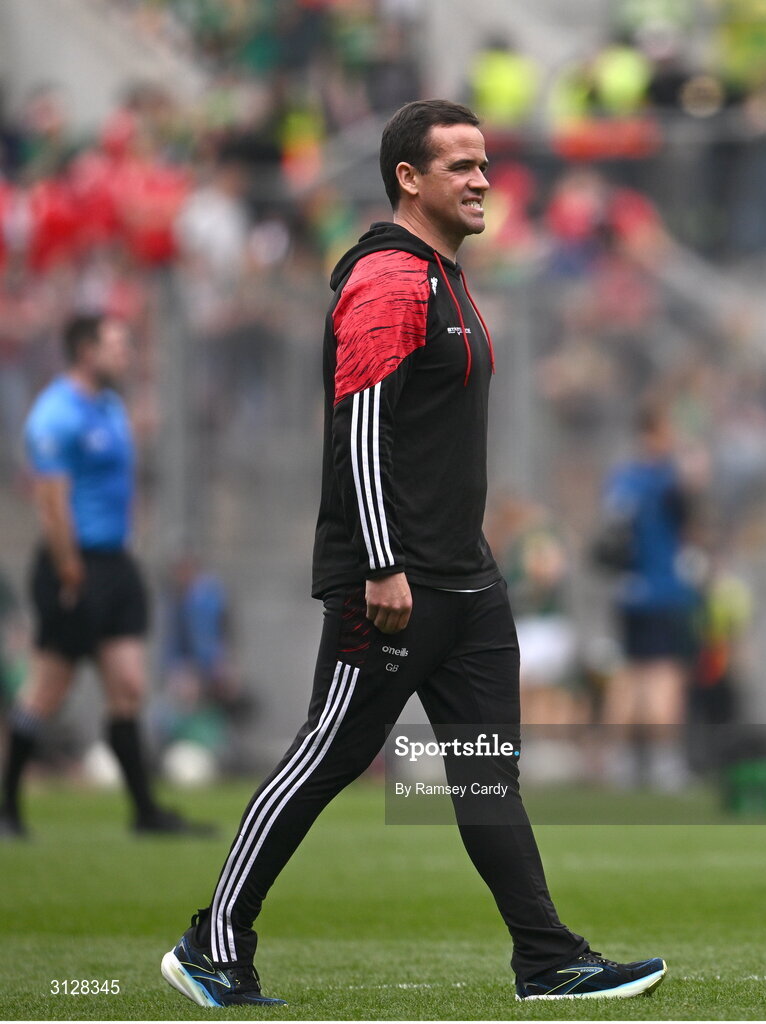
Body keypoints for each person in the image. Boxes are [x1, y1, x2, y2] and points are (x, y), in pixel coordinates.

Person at [160, 99, 667, 1008]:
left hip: (463, 576)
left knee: (481, 770)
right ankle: (212, 943)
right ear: (408, 177)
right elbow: (359, 428)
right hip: (395, 581)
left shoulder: (446, 275)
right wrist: (382, 563)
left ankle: (545, 958)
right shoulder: (391, 279)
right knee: (326, 755)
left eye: (484, 165)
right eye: (462, 167)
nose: (483, 181)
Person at [0, 313, 211, 838]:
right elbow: (50, 503)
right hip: (74, 565)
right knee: (47, 692)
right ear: (85, 351)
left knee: (130, 685)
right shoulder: (55, 414)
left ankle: (144, 813)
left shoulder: (113, 407)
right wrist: (71, 570)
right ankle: (7, 809)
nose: (125, 353)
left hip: (116, 564)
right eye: (115, 345)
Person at [599, 402, 702, 789]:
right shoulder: (665, 478)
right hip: (663, 589)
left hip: (628, 591)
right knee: (664, 678)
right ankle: (664, 764)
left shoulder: (621, 478)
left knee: (629, 676)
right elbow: (692, 510)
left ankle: (620, 763)